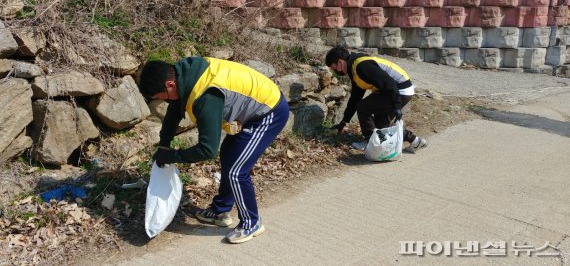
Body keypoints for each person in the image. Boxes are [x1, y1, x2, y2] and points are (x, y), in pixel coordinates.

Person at [137, 56, 289, 244]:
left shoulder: (204, 96)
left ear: (169, 85)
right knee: (228, 156)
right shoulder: (183, 75)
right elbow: (174, 112)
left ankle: (252, 222)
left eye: (163, 98)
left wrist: (172, 156)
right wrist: (163, 145)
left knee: (236, 171)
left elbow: (207, 150)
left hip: (269, 111)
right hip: (254, 108)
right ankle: (221, 211)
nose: (166, 102)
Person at [325, 46, 427, 152]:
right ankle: (415, 141)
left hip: (399, 90)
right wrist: (344, 121)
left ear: (340, 62)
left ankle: (370, 142)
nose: (334, 71)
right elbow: (355, 97)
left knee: (363, 107)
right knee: (381, 127)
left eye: (333, 68)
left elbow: (389, 83)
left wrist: (397, 106)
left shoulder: (361, 66)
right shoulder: (354, 68)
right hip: (395, 90)